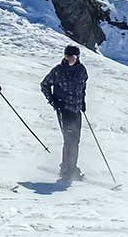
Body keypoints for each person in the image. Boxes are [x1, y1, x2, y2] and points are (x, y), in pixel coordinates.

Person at [41, 46, 90, 181]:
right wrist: (52, 101)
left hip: (76, 110)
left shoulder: (82, 70)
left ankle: (72, 167)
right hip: (64, 109)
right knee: (69, 140)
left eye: (72, 57)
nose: (69, 60)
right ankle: (66, 170)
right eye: (67, 57)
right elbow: (44, 84)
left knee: (76, 140)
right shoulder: (58, 70)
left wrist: (83, 101)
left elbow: (83, 86)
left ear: (77, 57)